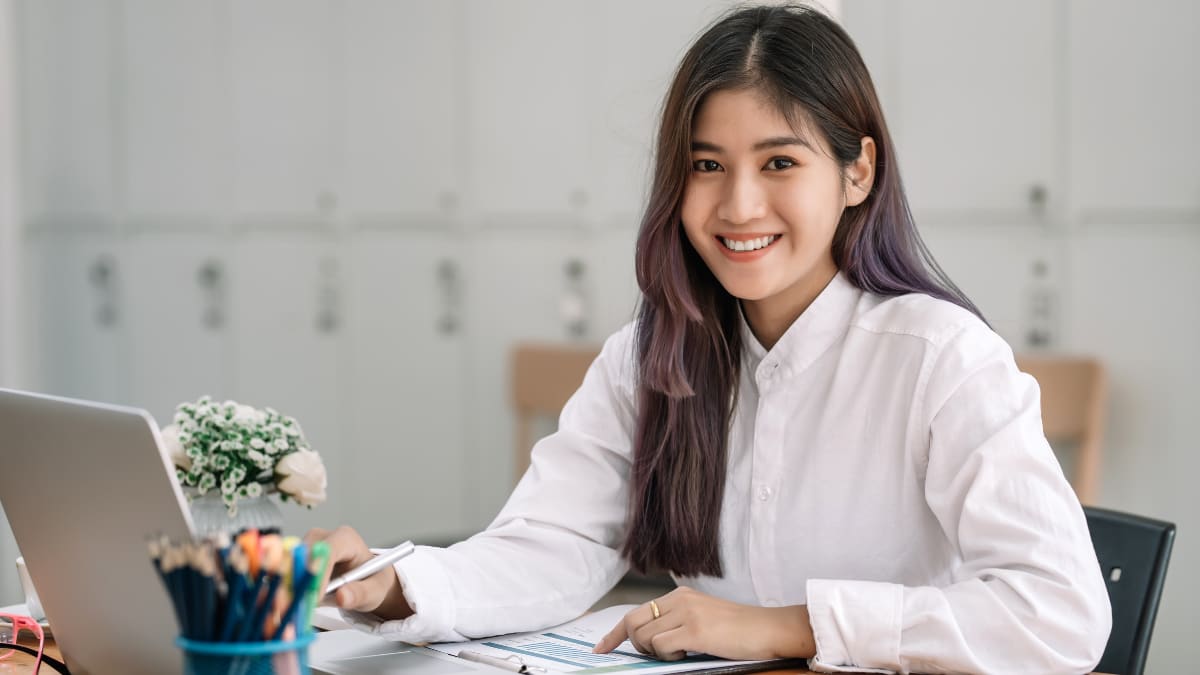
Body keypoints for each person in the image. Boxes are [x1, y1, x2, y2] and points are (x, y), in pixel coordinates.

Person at [306, 4, 1111, 672]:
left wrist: (784, 626)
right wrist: (388, 582)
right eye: (706, 165)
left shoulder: (940, 356)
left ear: (858, 172)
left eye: (780, 163)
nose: (738, 206)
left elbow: (1061, 614)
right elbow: (553, 546)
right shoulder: (650, 357)